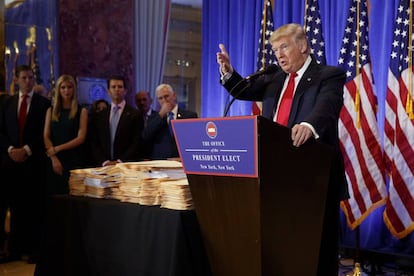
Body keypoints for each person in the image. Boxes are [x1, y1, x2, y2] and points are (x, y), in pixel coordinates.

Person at [216, 23, 349, 276]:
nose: (278, 54)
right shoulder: (275, 77)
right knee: (282, 248)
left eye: (284, 46)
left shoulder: (329, 75)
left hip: (313, 177)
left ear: (302, 45)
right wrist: (228, 72)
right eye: (275, 49)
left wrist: (310, 125)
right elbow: (243, 90)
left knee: (317, 250)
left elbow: (327, 106)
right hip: (275, 175)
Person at [0, 65, 51, 263]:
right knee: (15, 206)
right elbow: (1, 131)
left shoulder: (44, 104)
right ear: (17, 79)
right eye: (24, 78)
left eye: (31, 78)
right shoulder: (7, 103)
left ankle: (33, 250)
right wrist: (11, 150)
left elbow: (44, 133)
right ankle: (13, 249)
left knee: (33, 207)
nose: (28, 81)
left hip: (33, 162)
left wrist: (27, 150)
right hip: (10, 163)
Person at [43, 74, 88, 195]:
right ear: (58, 90)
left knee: (72, 197)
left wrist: (57, 149)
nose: (66, 91)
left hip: (73, 159)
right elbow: (46, 136)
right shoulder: (51, 110)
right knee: (54, 197)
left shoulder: (81, 111)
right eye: (63, 87)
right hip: (54, 160)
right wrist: (53, 157)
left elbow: (81, 138)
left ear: (74, 89)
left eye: (69, 87)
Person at [90, 75, 143, 166]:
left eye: (120, 87)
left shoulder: (135, 114)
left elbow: (137, 142)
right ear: (108, 91)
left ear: (125, 91)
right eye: (113, 87)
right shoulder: (100, 115)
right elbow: (95, 141)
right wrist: (104, 162)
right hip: (104, 166)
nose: (117, 89)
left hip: (126, 165)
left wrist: (120, 161)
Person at [143, 84, 198, 160]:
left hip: (182, 159)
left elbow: (194, 139)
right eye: (160, 98)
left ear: (174, 96)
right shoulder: (154, 117)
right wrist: (161, 114)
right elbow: (146, 135)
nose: (164, 100)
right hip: (161, 161)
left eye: (166, 96)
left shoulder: (189, 115)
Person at [135, 91, 157, 159]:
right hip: (137, 157)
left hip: (154, 156)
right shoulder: (133, 118)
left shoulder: (158, 117)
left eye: (144, 99)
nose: (142, 103)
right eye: (139, 100)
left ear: (150, 101)